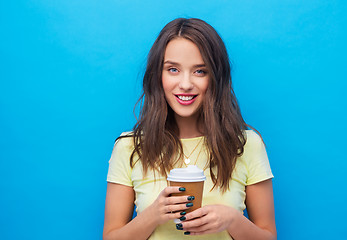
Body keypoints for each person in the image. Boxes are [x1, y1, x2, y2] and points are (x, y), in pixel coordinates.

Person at [103, 18, 276, 240]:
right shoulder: (129, 147)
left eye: (200, 71)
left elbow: (268, 236)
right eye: (173, 69)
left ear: (216, 77)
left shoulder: (246, 144)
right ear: (158, 75)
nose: (185, 84)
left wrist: (232, 219)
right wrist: (153, 215)